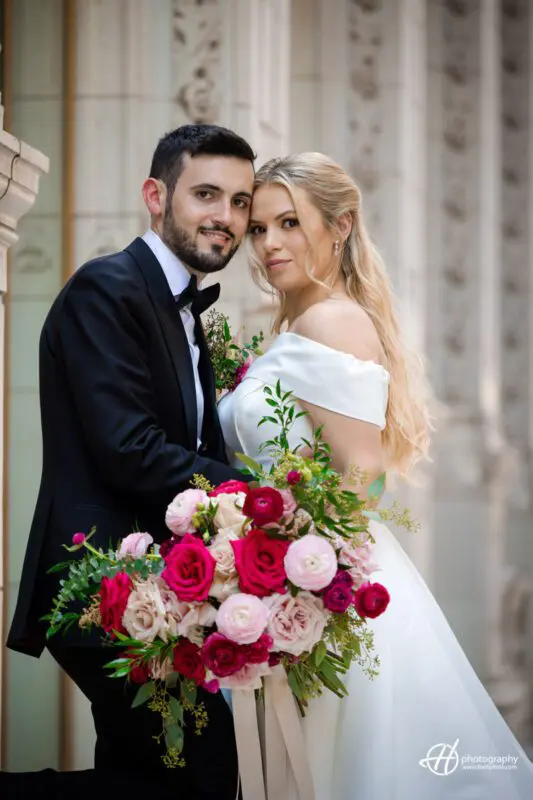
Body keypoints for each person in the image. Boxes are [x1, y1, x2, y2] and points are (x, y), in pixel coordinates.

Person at [217, 152, 533, 799]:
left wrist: (283, 586)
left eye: (289, 223)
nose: (270, 242)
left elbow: (357, 477)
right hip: (300, 583)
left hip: (318, 594)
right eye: (259, 228)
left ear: (340, 226)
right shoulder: (296, 322)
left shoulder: (329, 320)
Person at [6, 123, 255, 798]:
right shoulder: (108, 289)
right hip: (101, 585)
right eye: (206, 194)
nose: (225, 217)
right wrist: (258, 494)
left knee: (153, 773)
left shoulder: (181, 309)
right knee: (195, 772)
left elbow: (190, 447)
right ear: (156, 195)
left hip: (153, 588)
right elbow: (129, 448)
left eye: (239, 202)